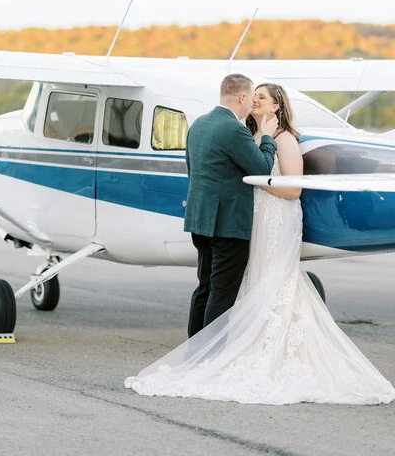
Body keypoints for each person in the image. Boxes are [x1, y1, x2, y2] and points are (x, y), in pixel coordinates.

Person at [125, 83, 395, 405]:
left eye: (262, 97)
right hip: (254, 221)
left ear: (276, 106)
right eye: (254, 96)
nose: (255, 100)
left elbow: (292, 189)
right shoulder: (249, 136)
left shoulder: (284, 139)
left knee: (269, 280)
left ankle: (245, 348)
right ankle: (223, 347)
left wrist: (256, 184)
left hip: (279, 218)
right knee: (246, 283)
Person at [184, 73, 278, 338]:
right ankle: (210, 358)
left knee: (204, 288)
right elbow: (262, 168)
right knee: (222, 294)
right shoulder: (234, 129)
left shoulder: (198, 124)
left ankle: (194, 352)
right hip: (227, 224)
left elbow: (192, 170)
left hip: (199, 220)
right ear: (241, 97)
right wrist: (268, 138)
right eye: (251, 97)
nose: (252, 103)